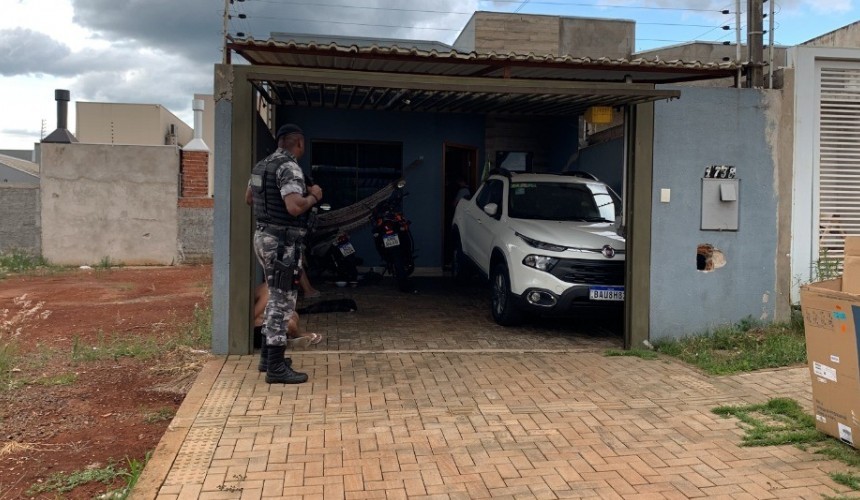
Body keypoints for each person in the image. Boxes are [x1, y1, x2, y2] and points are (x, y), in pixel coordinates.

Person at [246, 123, 323, 384]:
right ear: (298, 143)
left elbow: (249, 198)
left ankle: (268, 358)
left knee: (275, 297)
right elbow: (294, 206)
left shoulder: (261, 165)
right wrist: (313, 196)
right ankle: (276, 368)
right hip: (281, 243)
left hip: (263, 237)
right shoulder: (289, 167)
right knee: (282, 302)